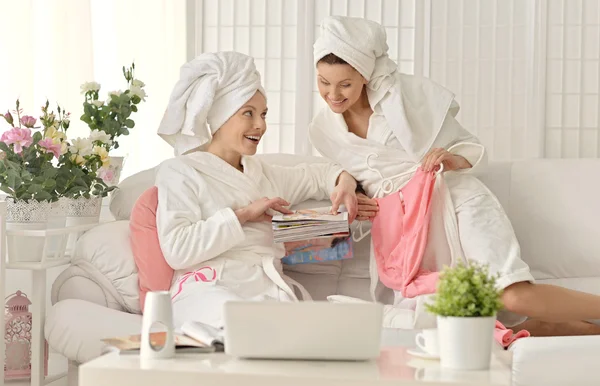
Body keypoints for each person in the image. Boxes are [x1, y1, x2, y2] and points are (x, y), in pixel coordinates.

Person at [308, 16, 600, 336]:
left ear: (364, 75)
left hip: (455, 201)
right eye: (323, 82)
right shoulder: (323, 130)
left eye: (344, 84)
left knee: (512, 296)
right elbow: (344, 170)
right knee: (473, 322)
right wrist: (349, 184)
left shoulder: (405, 102)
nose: (332, 94)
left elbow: (471, 151)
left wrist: (449, 159)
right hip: (404, 233)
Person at [155, 51, 358, 329]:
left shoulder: (262, 172)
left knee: (316, 332)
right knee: (242, 326)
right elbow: (177, 250)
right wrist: (243, 215)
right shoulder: (180, 171)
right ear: (219, 117)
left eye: (263, 114)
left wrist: (344, 181)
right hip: (208, 290)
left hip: (266, 291)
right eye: (247, 114)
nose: (260, 125)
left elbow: (318, 174)